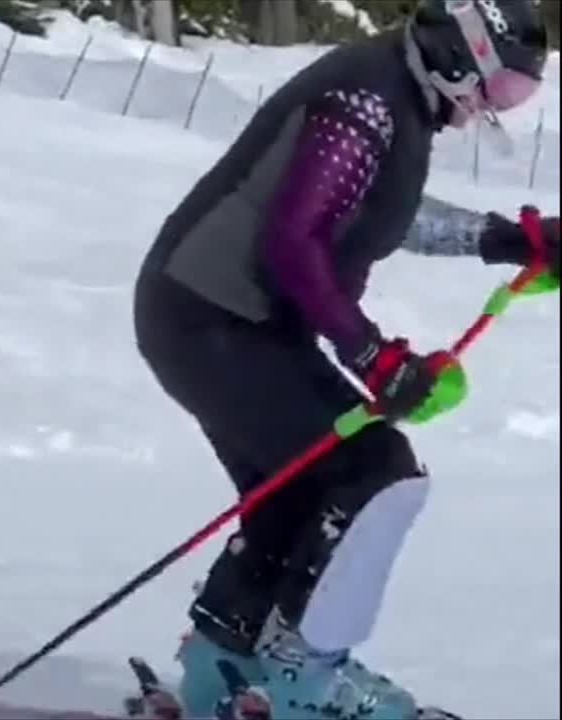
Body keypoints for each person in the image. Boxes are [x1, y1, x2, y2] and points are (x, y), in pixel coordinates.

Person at [132, 0, 559, 717]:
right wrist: (371, 355)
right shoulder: (364, 102)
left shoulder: (397, 95)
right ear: (462, 55)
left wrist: (507, 240)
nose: (495, 108)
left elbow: (381, 208)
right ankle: (303, 682)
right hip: (211, 320)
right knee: (376, 472)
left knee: (298, 495)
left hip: (220, 317)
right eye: (502, 89)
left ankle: (221, 668)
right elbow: (293, 241)